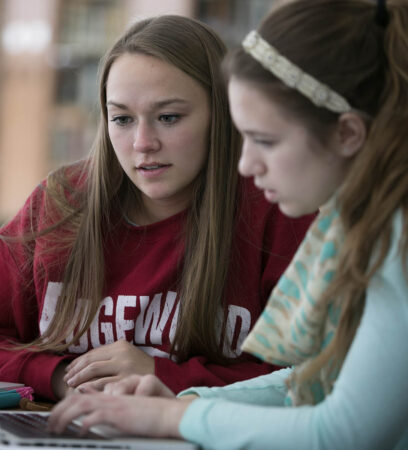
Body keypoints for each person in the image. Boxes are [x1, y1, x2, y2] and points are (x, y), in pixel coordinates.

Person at [47, 0, 408, 447]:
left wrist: (171, 421)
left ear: (348, 134)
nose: (246, 164)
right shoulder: (363, 221)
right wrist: (184, 404)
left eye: (264, 140)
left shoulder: (397, 241)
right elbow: (314, 380)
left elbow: (343, 432)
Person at [0, 15, 314, 402]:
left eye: (168, 117)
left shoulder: (279, 208)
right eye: (122, 119)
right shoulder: (60, 203)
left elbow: (313, 376)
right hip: (63, 424)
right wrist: (61, 377)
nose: (143, 143)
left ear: (224, 114)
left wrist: (160, 377)